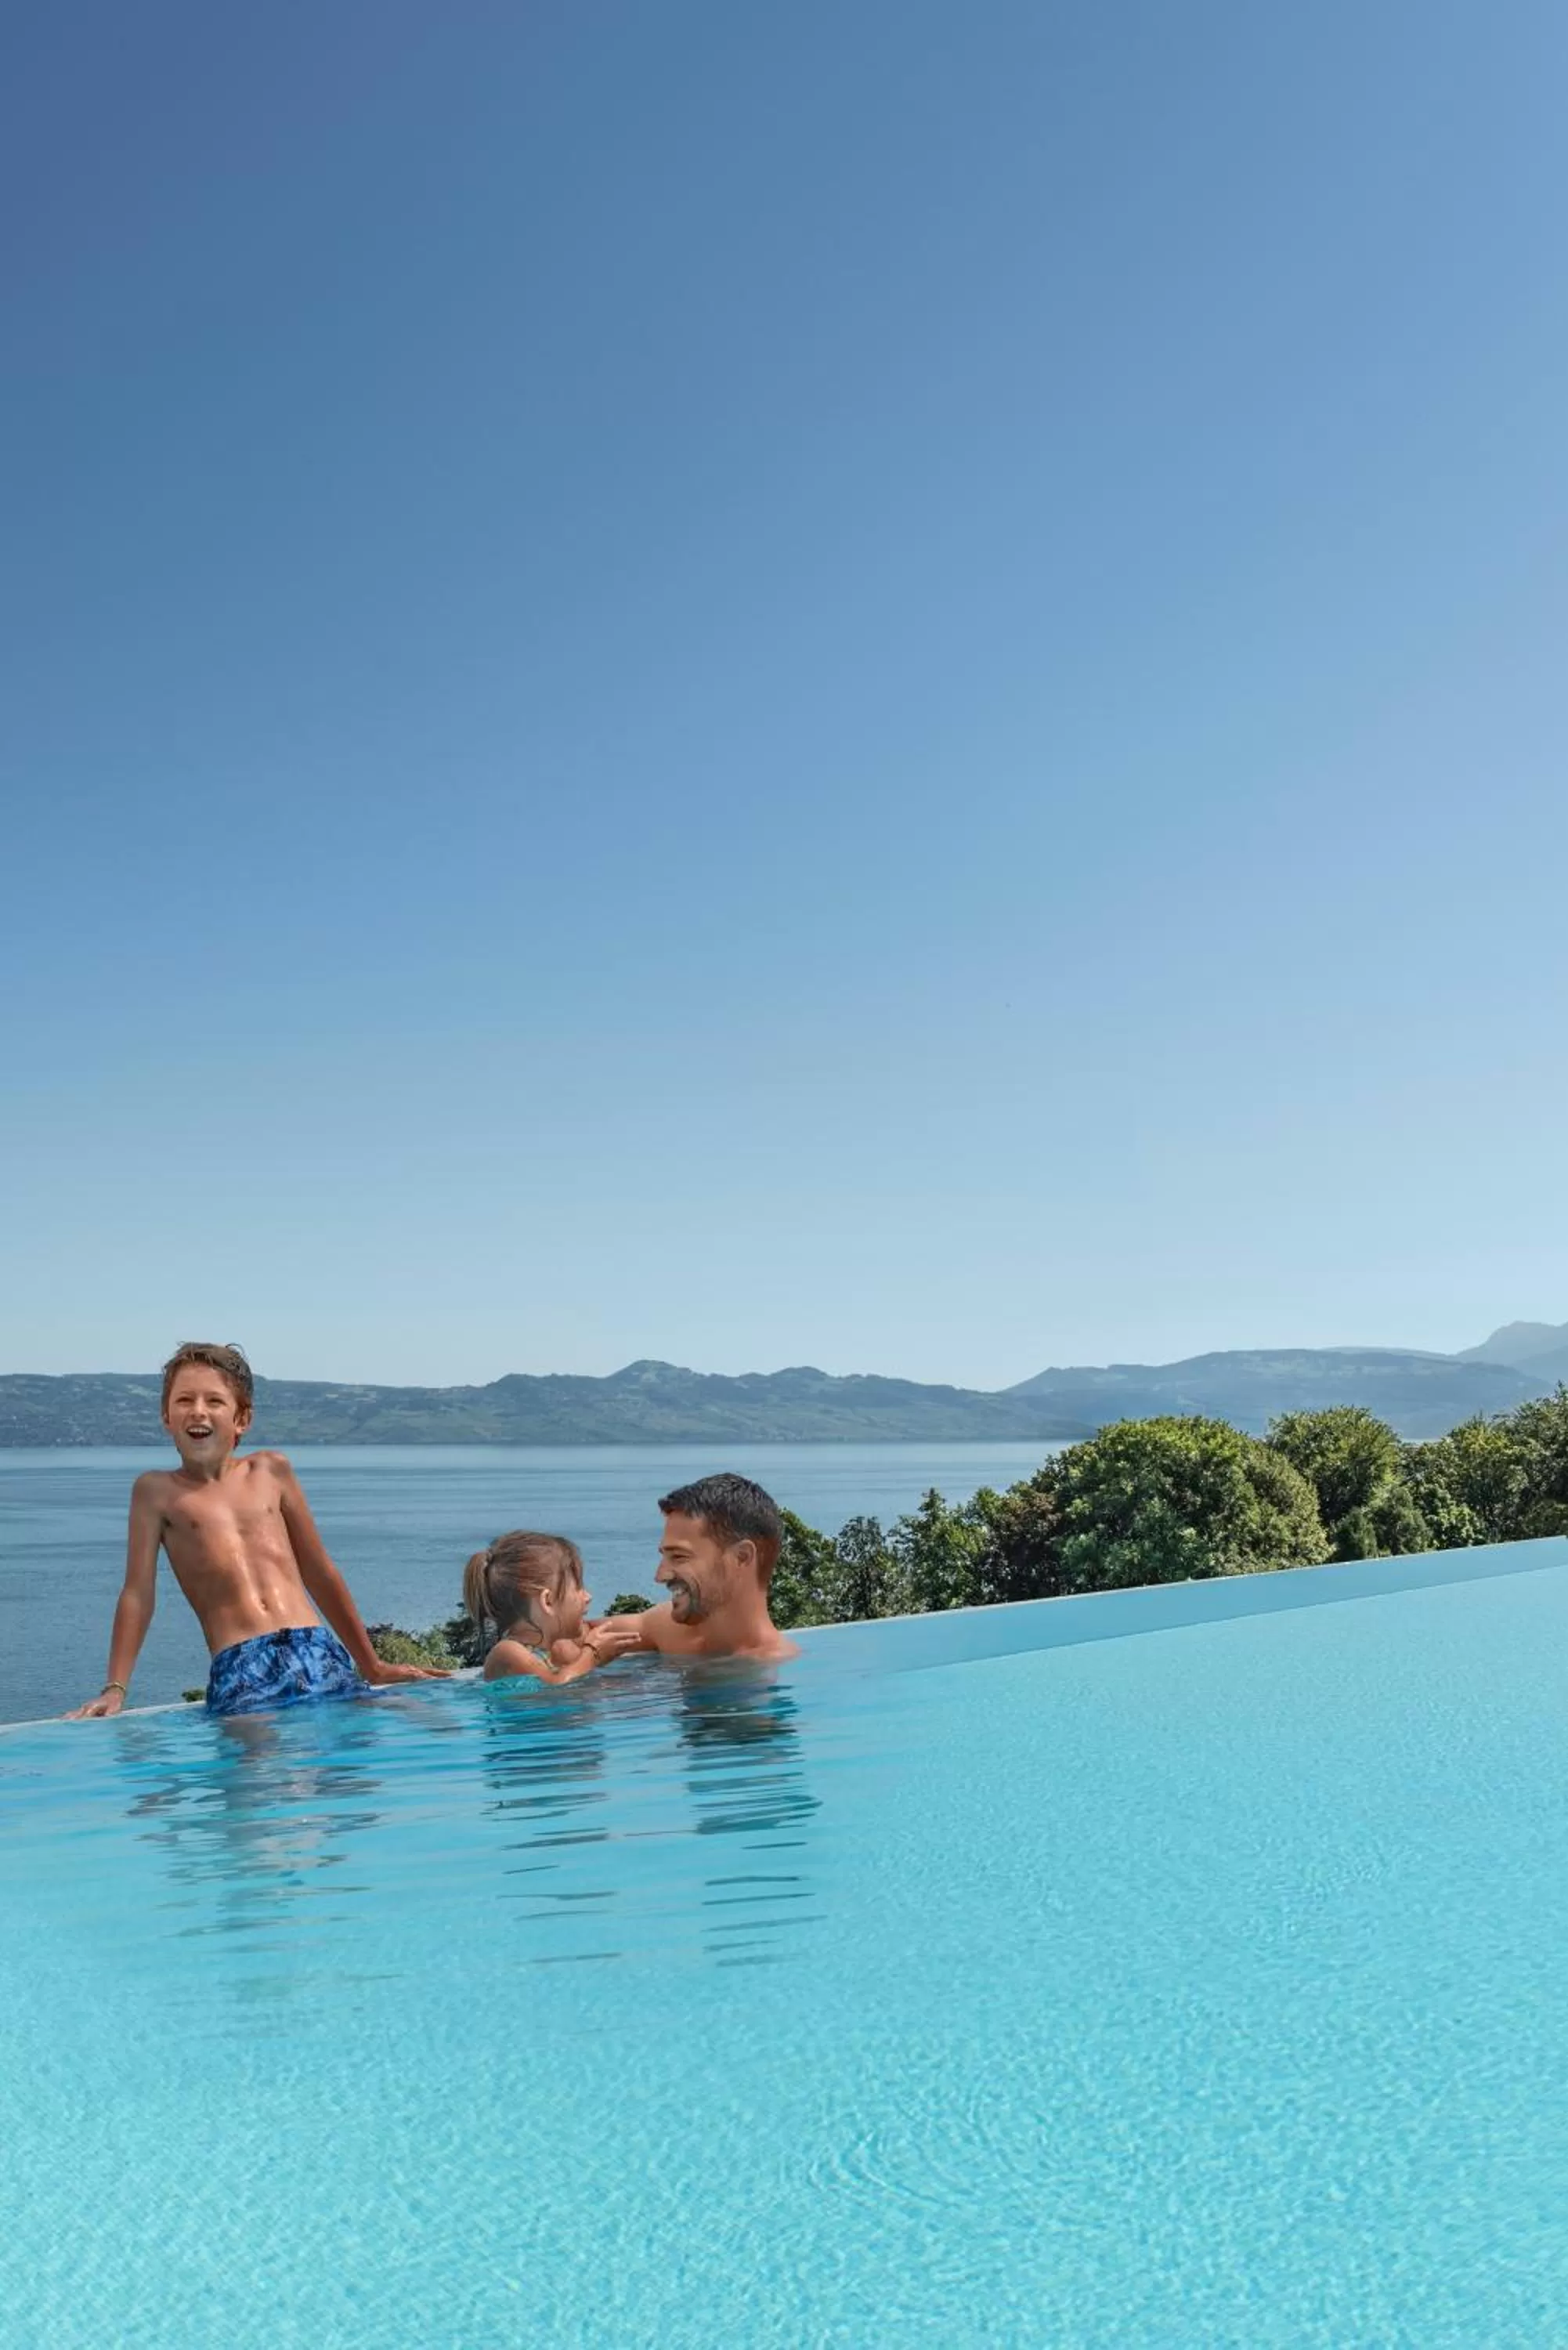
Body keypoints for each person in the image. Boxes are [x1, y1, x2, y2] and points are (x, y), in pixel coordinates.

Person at [67, 1342, 447, 1719]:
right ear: (166, 1417)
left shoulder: (271, 1471)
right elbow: (138, 1593)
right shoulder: (156, 1492)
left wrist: (372, 1665)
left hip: (315, 1648)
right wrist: (115, 1688)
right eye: (184, 1400)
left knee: (423, 1724)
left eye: (214, 1401)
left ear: (242, 1419)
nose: (198, 1410)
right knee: (260, 1758)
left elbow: (319, 1571)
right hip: (241, 1665)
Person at [600, 1473, 799, 1661]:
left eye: (679, 1557)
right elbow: (587, 1634)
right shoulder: (669, 1629)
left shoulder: (766, 1667)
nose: (660, 1576)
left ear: (741, 1557)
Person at [462, 1531, 619, 1683]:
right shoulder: (508, 1652)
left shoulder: (559, 1648)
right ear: (548, 1602)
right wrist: (592, 1654)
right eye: (578, 1587)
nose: (588, 1597)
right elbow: (555, 1688)